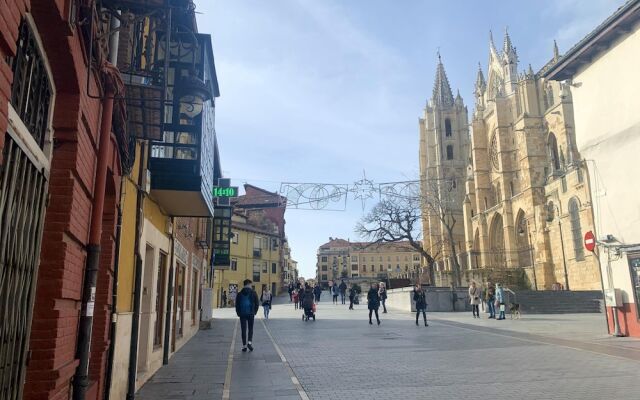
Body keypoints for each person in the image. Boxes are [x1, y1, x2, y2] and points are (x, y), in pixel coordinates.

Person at [235, 279, 259, 352]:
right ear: (248, 284)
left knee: (243, 329)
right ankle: (249, 342)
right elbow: (257, 303)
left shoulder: (239, 294)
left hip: (242, 314)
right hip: (251, 313)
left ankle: (244, 346)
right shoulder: (253, 293)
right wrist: (255, 312)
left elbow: (237, 304)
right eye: (251, 285)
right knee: (250, 329)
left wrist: (238, 313)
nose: (251, 286)